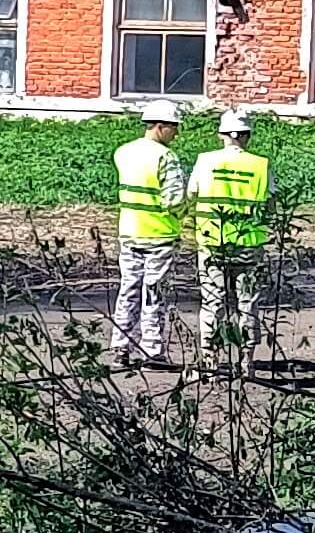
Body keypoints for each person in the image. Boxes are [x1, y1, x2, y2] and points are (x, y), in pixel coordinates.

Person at [189, 109, 273, 364]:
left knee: (213, 300)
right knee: (247, 302)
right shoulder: (261, 165)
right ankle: (246, 361)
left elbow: (191, 194)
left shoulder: (205, 161)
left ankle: (211, 360)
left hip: (212, 242)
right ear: (247, 136)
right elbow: (271, 203)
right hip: (248, 244)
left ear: (220, 135)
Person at [111, 99, 188, 367]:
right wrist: (184, 216)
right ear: (160, 126)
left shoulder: (123, 152)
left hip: (129, 231)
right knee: (153, 293)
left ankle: (120, 347)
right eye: (174, 127)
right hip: (160, 235)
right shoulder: (166, 157)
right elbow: (175, 200)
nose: (176, 133)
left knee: (128, 290)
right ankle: (152, 351)